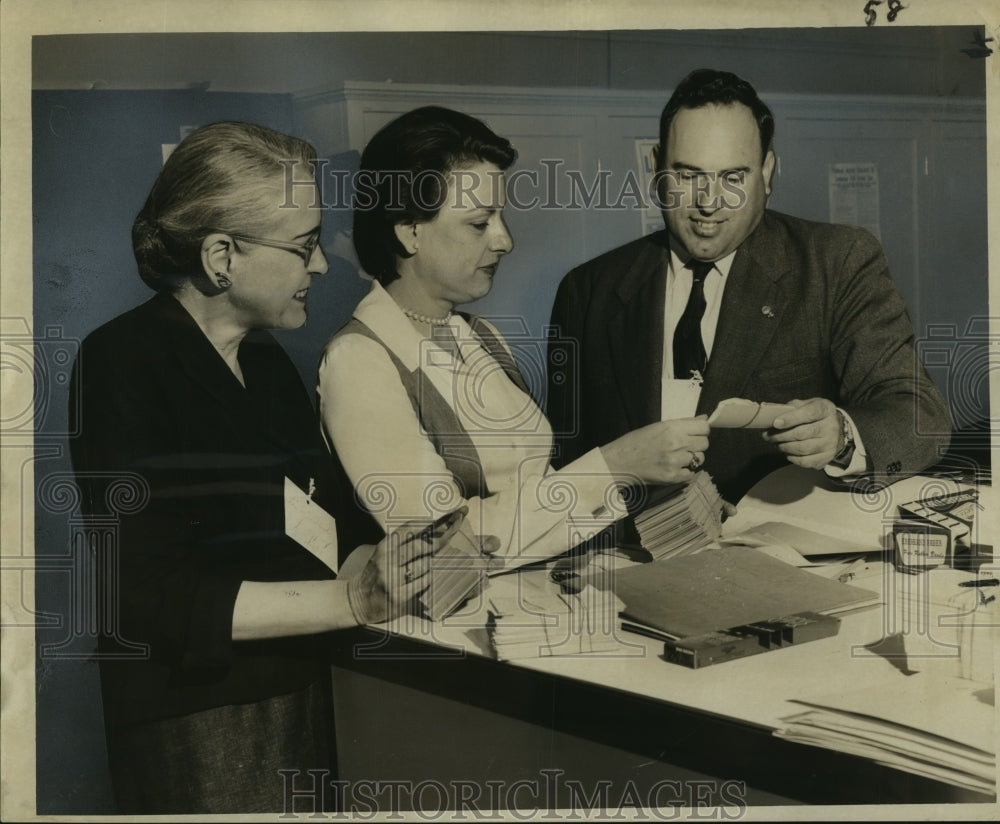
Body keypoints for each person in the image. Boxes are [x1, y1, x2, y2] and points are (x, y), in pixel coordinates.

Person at [68, 121, 465, 814]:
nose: (321, 265)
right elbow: (145, 594)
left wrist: (398, 557)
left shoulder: (267, 364)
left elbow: (329, 534)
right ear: (222, 256)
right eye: (305, 245)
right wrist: (352, 600)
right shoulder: (121, 362)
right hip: (200, 723)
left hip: (305, 692)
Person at [319, 106, 711, 572]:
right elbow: (440, 549)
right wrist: (613, 465)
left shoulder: (479, 335)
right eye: (479, 223)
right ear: (409, 232)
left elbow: (538, 500)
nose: (505, 240)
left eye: (500, 217)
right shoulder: (358, 360)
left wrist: (670, 509)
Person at [548, 68, 952, 504]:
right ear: (655, 168)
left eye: (733, 178)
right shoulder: (586, 291)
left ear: (768, 172)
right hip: (631, 562)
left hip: (777, 560)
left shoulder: (836, 262)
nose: (708, 201)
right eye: (687, 175)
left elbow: (920, 415)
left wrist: (843, 436)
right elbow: (566, 466)